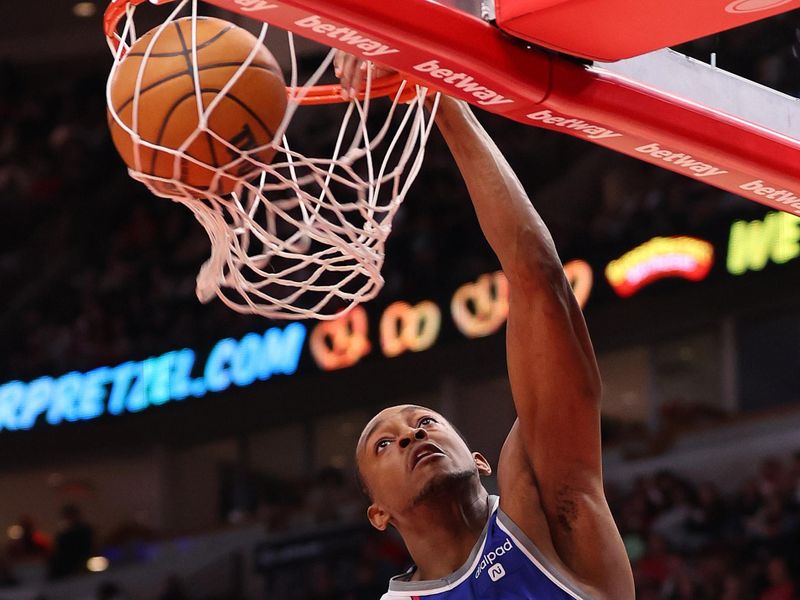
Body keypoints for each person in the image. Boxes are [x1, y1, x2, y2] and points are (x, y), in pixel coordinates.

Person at [338, 55, 635, 599]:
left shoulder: (545, 508)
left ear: (479, 460)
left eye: (425, 420)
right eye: (384, 444)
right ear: (377, 514)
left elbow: (538, 280)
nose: (411, 434)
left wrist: (435, 91)